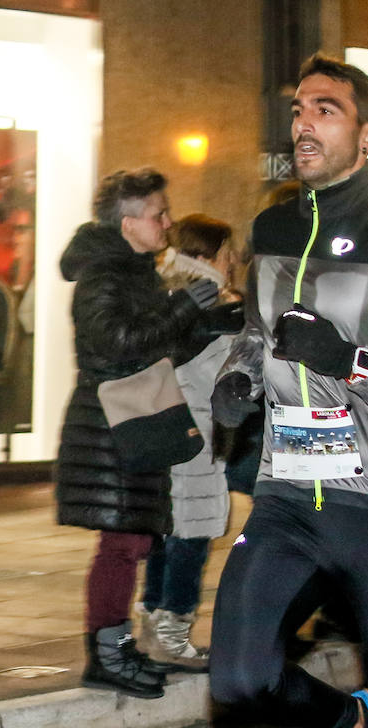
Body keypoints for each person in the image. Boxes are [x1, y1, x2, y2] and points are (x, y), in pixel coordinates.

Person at [209, 54, 368, 728]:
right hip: (288, 488)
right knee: (240, 680)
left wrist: (345, 360)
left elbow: (343, 359)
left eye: (326, 110)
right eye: (297, 110)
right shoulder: (274, 226)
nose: (303, 123)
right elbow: (256, 331)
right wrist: (241, 375)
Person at [55, 167, 220, 699]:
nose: (167, 223)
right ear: (129, 223)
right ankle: (107, 655)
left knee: (130, 540)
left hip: (133, 419)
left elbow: (156, 345)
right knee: (121, 544)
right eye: (158, 214)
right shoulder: (106, 275)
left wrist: (212, 321)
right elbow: (118, 342)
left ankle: (116, 649)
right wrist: (183, 308)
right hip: (112, 424)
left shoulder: (133, 270)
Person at [135, 215, 244, 671]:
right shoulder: (211, 308)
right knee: (191, 536)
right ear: (206, 258)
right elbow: (224, 375)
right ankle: (172, 634)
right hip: (195, 433)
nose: (233, 260)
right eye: (226, 253)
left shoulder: (160, 298)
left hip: (162, 428)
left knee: (166, 532)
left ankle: (150, 624)